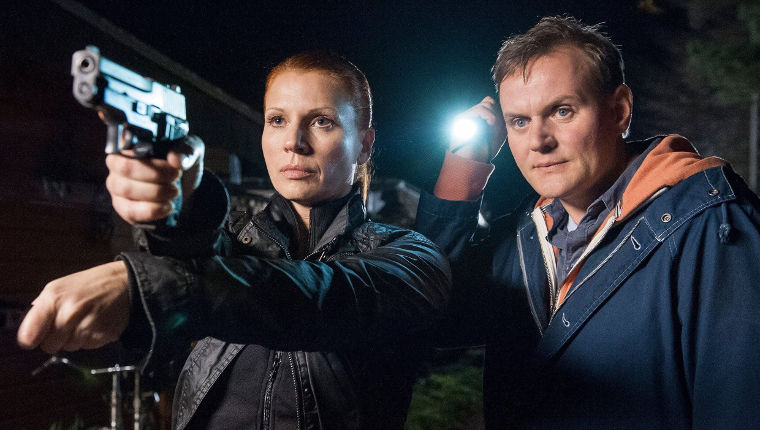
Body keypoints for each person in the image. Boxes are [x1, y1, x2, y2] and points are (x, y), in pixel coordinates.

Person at [17, 52, 451, 429]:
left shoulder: (410, 258)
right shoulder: (232, 241)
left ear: (365, 145)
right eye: (277, 120)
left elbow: (311, 295)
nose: (293, 142)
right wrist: (181, 204)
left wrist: (148, 286)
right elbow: (209, 261)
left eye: (322, 122)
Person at [415, 16, 760, 429]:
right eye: (519, 121)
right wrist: (463, 165)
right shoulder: (525, 237)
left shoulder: (710, 225)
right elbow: (431, 313)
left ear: (619, 111)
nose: (538, 141)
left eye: (562, 111)